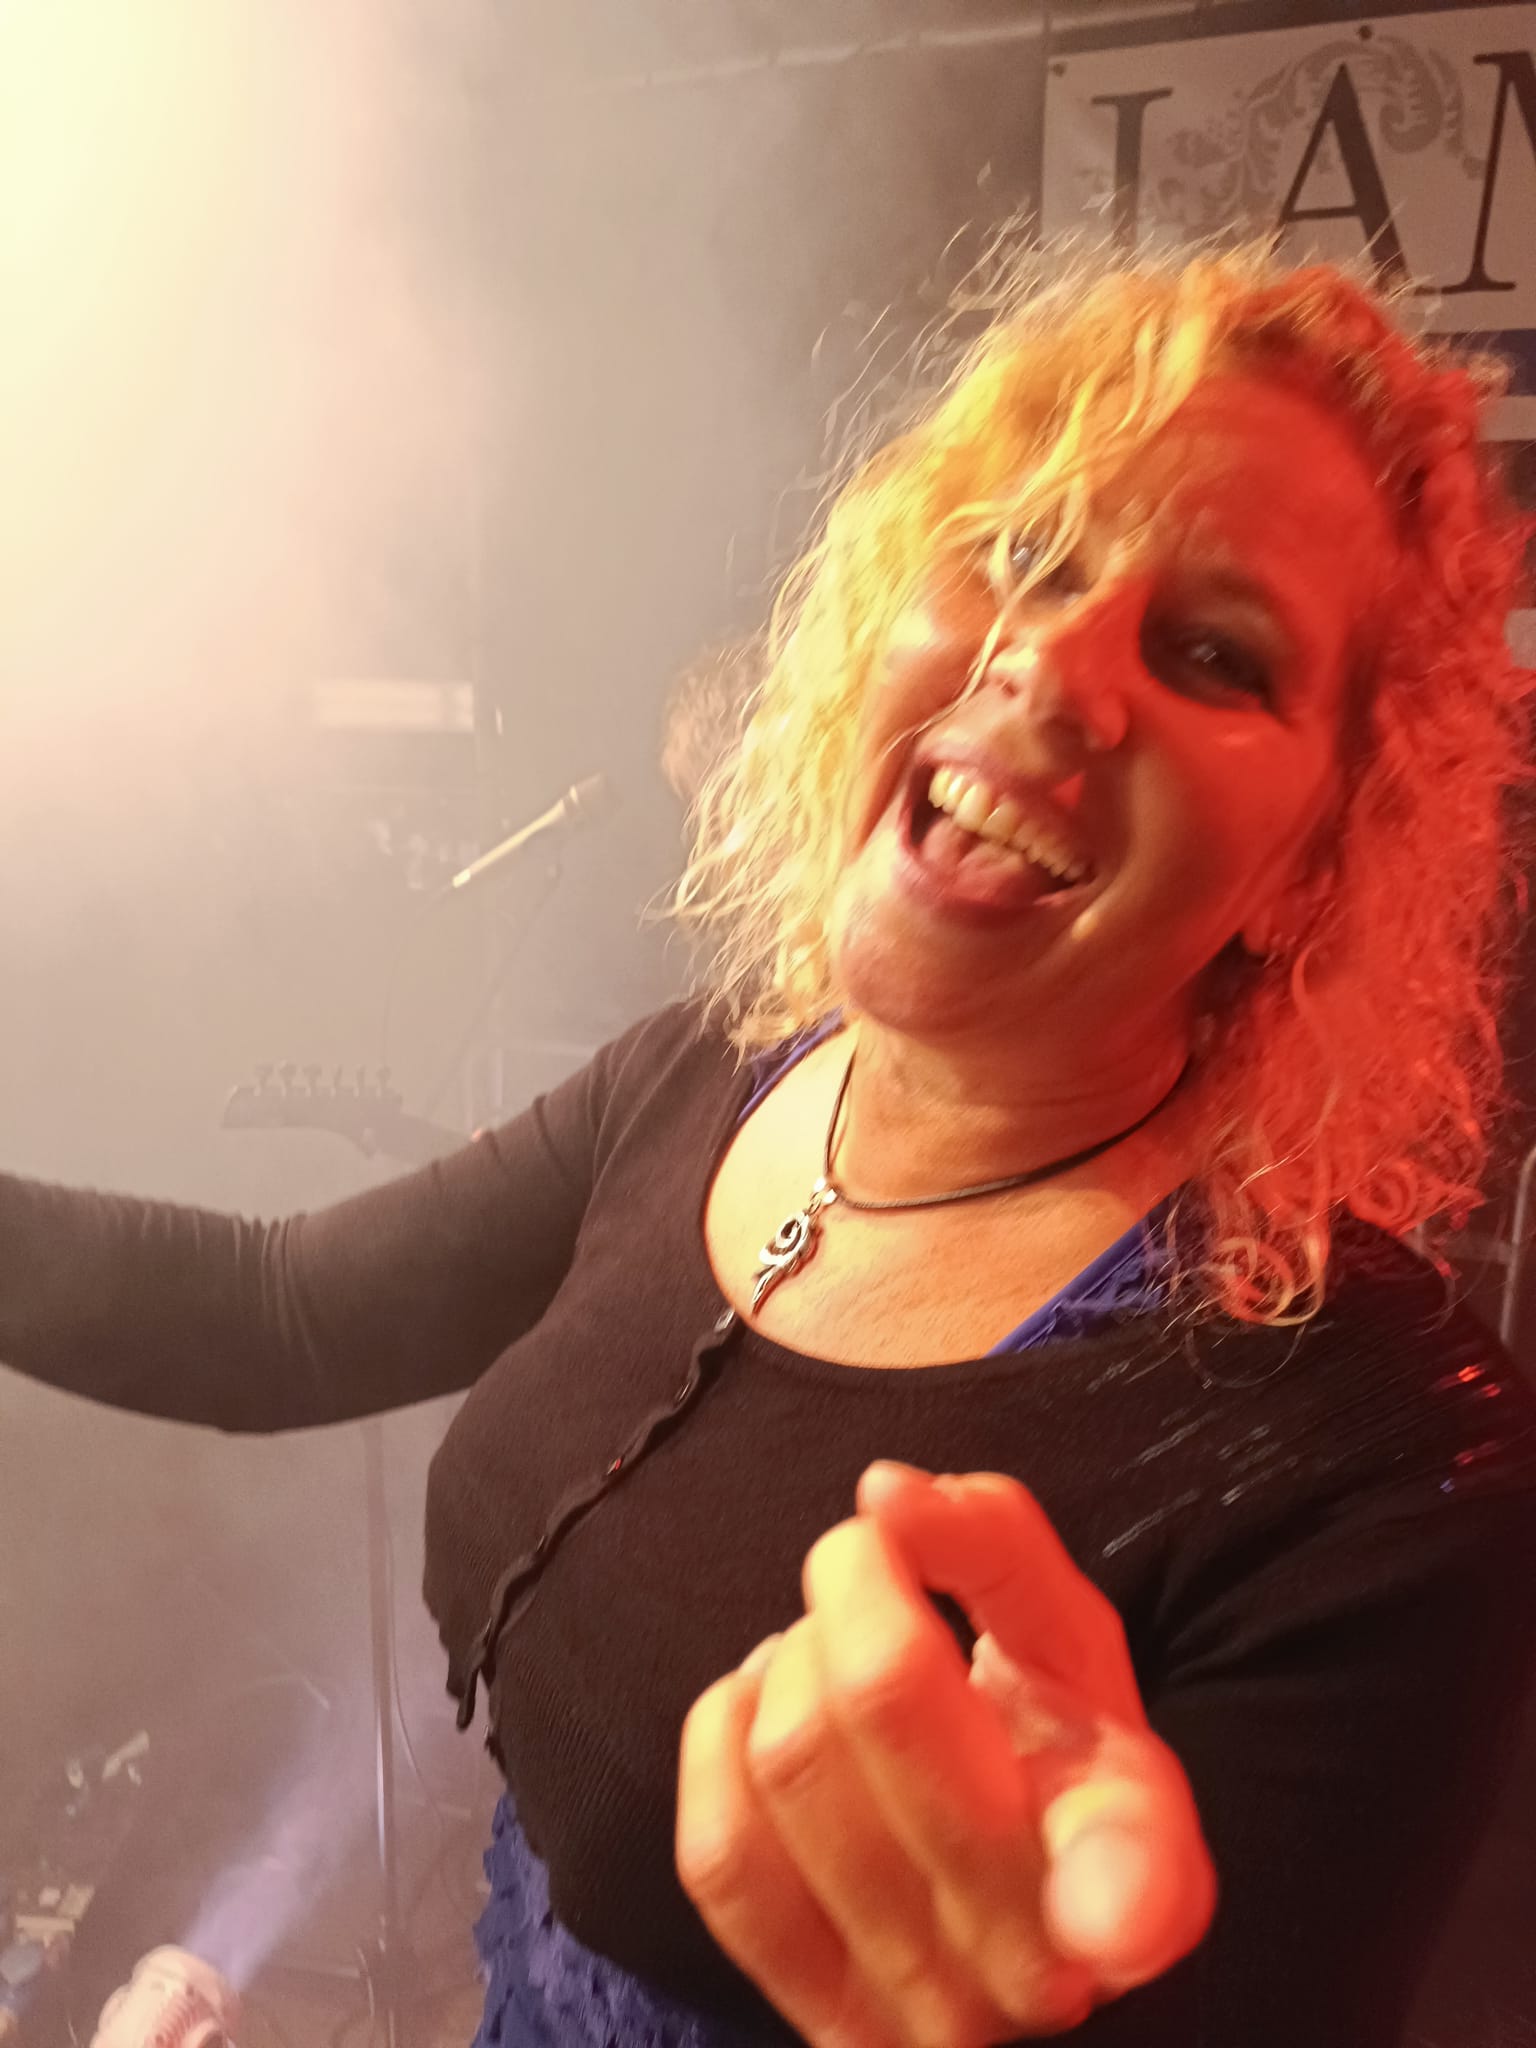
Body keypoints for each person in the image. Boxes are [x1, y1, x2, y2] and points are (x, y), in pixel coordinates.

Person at [4, 242, 1536, 2048]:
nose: (1050, 657)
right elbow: (282, 1313)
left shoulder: (1369, 1462)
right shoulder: (702, 1075)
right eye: (1023, 550)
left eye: (1215, 652)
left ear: (1313, 868)